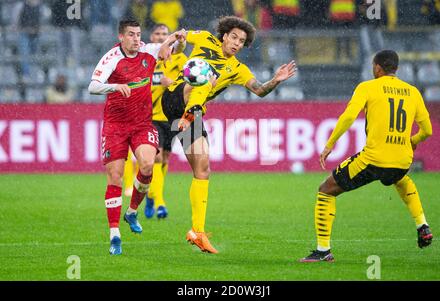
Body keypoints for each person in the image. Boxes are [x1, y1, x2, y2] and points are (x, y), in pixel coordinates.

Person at [161, 16, 297, 254]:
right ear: (224, 35)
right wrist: (168, 43)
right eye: (234, 37)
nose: (236, 43)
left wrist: (275, 80)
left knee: (202, 168)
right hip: (175, 98)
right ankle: (192, 111)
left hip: (190, 114)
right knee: (204, 75)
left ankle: (197, 232)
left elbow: (259, 90)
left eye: (242, 41)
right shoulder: (204, 38)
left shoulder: (237, 69)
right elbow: (181, 34)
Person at [300, 50, 433, 262]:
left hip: (373, 159)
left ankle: (323, 251)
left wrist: (330, 144)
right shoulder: (413, 92)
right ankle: (422, 225)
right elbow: (428, 130)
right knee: (400, 179)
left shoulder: (368, 87)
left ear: (378, 67)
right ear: (395, 68)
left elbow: (349, 116)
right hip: (402, 160)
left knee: (326, 190)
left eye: (374, 67)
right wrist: (412, 141)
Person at [88, 19, 186, 255]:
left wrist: (178, 38)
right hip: (115, 126)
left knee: (147, 166)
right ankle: (114, 235)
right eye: (131, 35)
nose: (136, 39)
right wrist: (113, 87)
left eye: (138, 34)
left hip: (143, 123)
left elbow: (174, 46)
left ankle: (132, 212)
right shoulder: (111, 58)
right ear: (121, 37)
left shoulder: (148, 50)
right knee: (115, 177)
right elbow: (93, 85)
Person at [123, 23, 188, 219]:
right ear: (151, 37)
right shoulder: (147, 59)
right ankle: (160, 202)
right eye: (158, 34)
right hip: (149, 116)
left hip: (171, 116)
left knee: (165, 158)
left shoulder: (180, 58)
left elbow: (188, 83)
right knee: (157, 157)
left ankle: (151, 194)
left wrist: (174, 83)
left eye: (165, 34)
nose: (161, 37)